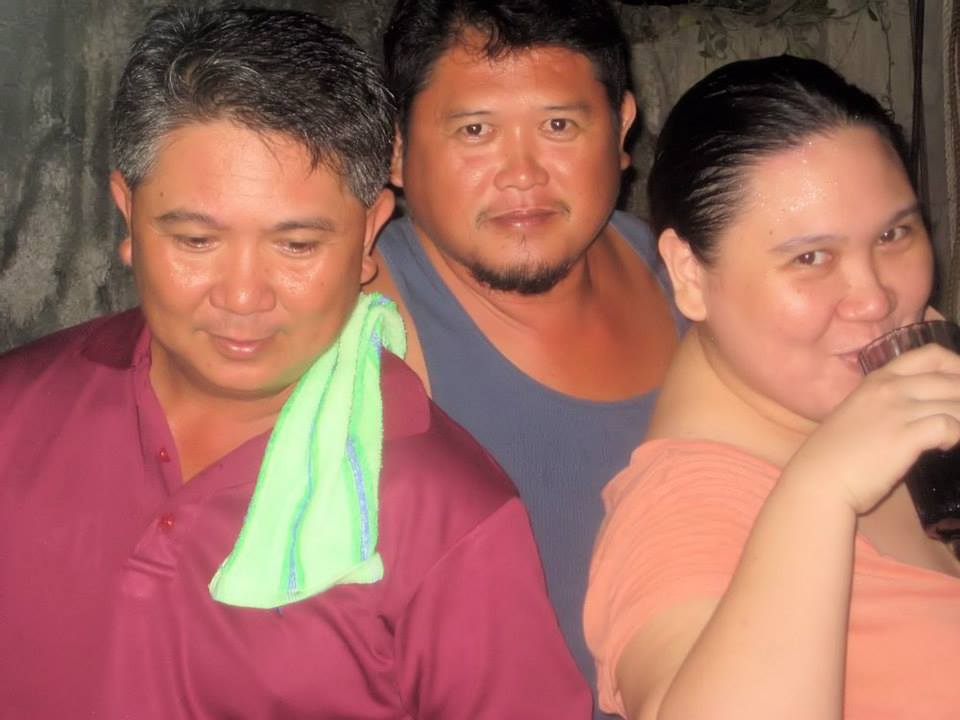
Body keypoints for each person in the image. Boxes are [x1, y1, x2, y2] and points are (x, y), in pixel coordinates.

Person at [0, 6, 592, 718]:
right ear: (127, 212)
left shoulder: (447, 513)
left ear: (370, 232)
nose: (243, 295)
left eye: (297, 246)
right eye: (195, 241)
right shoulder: (14, 415)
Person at [584, 55, 960, 719]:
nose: (875, 298)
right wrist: (822, 489)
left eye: (894, 234)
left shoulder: (910, 390)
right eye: (810, 258)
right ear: (689, 274)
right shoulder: (680, 514)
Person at [367, 0, 683, 698]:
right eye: (476, 130)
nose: (522, 174)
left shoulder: (676, 273)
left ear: (621, 128)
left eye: (558, 126)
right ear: (396, 150)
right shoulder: (362, 327)